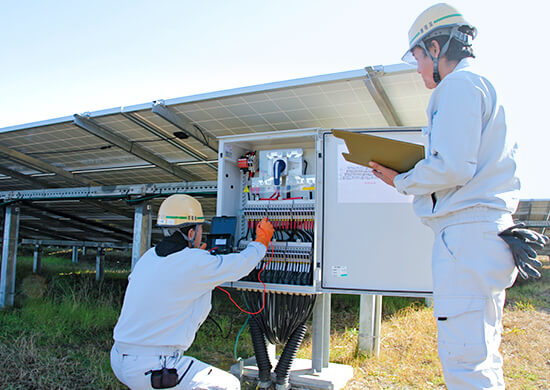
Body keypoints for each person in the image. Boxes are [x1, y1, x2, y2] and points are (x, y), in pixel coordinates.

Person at [369, 3, 522, 389]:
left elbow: (452, 167)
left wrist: (402, 180)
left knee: (465, 363)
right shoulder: (483, 84)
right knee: (481, 355)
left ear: (435, 48)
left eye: (418, 57)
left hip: (467, 237)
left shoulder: (458, 86)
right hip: (484, 236)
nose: (418, 68)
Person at [110, 194, 274, 389]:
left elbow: (173, 277)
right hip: (153, 367)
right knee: (227, 385)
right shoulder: (195, 263)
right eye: (199, 228)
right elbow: (240, 265)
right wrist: (261, 242)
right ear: (190, 233)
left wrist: (199, 258)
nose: (201, 233)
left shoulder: (149, 257)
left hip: (120, 358)